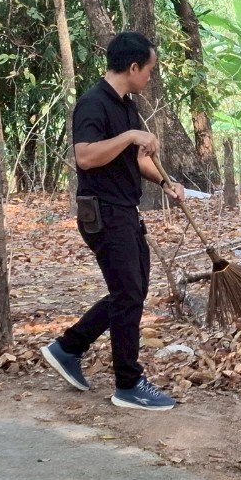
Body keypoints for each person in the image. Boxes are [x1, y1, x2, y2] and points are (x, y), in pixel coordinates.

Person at [39, 31, 185, 411]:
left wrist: (165, 182)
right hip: (102, 213)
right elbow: (85, 156)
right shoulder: (93, 103)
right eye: (149, 69)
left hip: (126, 211)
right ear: (133, 67)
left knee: (131, 291)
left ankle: (68, 347)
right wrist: (131, 135)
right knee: (128, 293)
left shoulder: (127, 106)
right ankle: (128, 383)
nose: (150, 76)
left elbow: (135, 160)